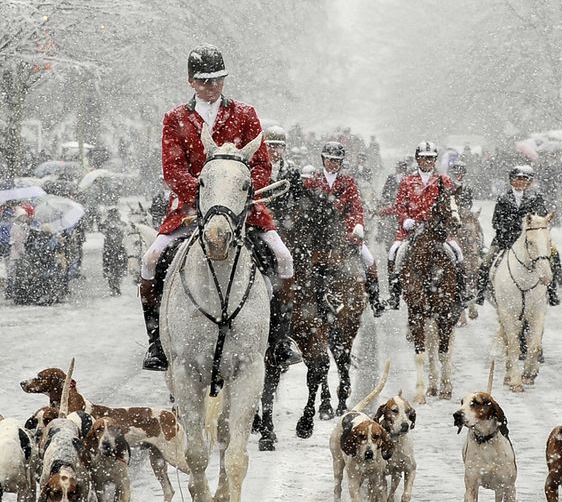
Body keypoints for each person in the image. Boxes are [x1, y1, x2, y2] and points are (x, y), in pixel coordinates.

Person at [138, 44, 297, 371]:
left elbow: (262, 164)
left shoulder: (245, 114)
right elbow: (173, 168)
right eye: (204, 81)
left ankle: (281, 339)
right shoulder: (176, 118)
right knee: (151, 258)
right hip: (192, 208)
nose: (211, 86)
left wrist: (239, 190)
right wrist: (203, 191)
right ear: (191, 82)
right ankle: (156, 341)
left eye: (217, 80)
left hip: (243, 207)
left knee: (283, 257)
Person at [305, 141, 385, 316]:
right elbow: (307, 209)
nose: (332, 163)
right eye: (329, 159)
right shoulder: (313, 181)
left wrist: (355, 226)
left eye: (336, 160)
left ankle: (375, 300)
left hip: (344, 235)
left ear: (341, 163)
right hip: (318, 236)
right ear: (323, 159)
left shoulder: (348, 182)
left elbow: (356, 208)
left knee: (370, 262)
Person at [388, 141, 465, 310]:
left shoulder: (443, 180)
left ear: (435, 160)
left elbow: (453, 200)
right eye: (424, 158)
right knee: (393, 253)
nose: (427, 161)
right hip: (411, 230)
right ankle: (394, 292)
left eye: (430, 158)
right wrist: (405, 220)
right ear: (417, 159)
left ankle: (461, 292)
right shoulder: (407, 181)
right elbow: (400, 205)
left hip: (437, 230)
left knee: (458, 253)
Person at [478, 164, 560, 305]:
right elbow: (495, 222)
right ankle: (480, 291)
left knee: (553, 255)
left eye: (524, 180)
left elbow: (542, 218)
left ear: (527, 182)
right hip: (506, 239)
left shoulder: (536, 198)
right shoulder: (503, 199)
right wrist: (510, 232)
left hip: (531, 239)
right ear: (511, 181)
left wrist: (531, 232)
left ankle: (552, 291)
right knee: (487, 260)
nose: (520, 182)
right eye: (517, 179)